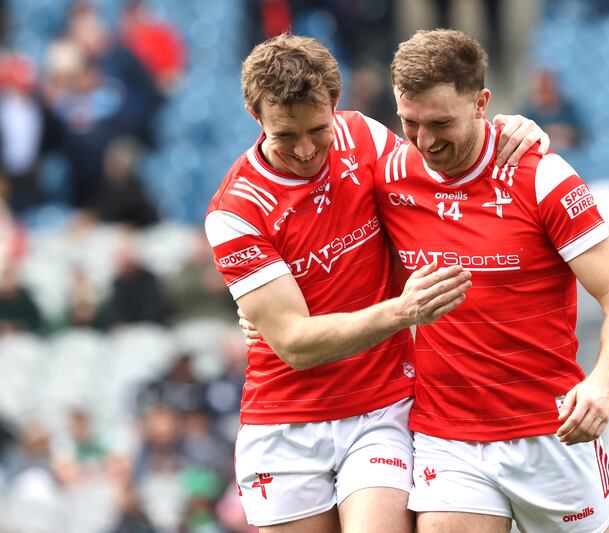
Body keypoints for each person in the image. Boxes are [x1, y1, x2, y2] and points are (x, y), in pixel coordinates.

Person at [206, 33, 549, 533]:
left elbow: (446, 176)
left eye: (317, 130)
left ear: (335, 103)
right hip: (283, 420)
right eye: (285, 135)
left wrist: (506, 130)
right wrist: (402, 311)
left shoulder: (363, 139)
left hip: (380, 407)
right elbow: (296, 345)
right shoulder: (235, 212)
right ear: (254, 116)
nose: (305, 150)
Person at [373, 29, 609, 533]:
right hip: (446, 435)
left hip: (551, 432)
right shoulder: (387, 177)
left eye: (441, 123)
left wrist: (603, 385)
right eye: (409, 123)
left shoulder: (544, 177)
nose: (425, 141)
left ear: (481, 103)